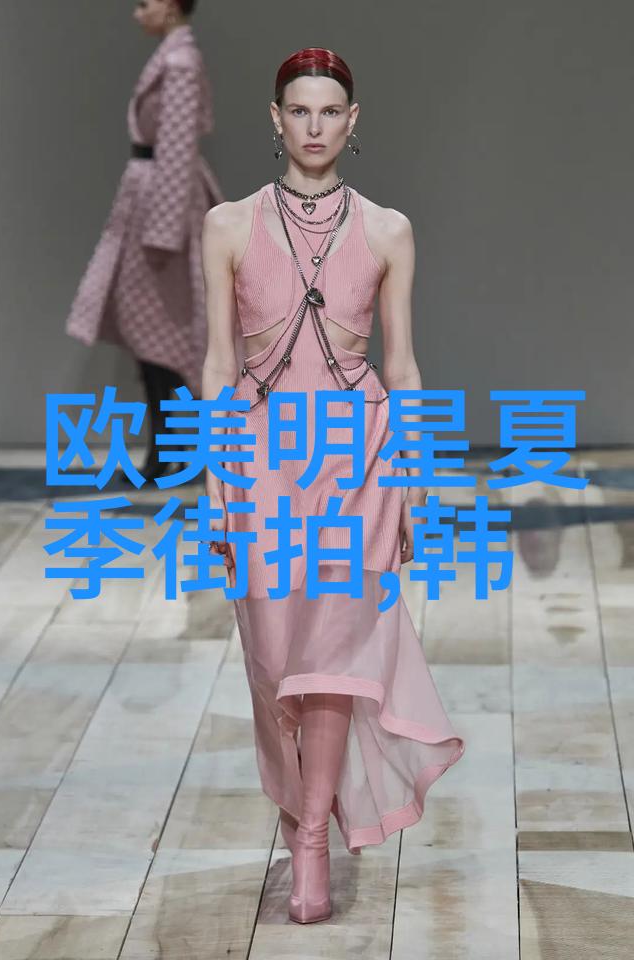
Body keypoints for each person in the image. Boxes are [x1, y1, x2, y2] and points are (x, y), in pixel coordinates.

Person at [201, 48, 465, 924]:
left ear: (353, 123)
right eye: (299, 110)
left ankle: (312, 839)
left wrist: (415, 473)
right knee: (274, 662)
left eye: (330, 112)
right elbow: (216, 363)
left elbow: (404, 363)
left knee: (333, 665)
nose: (314, 126)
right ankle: (299, 814)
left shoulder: (388, 230)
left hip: (359, 461)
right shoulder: (227, 225)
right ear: (276, 120)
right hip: (258, 459)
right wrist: (212, 474)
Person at [66, 0, 224, 482]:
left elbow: (177, 147)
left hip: (162, 208)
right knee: (153, 335)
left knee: (165, 334)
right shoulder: (174, 56)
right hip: (151, 197)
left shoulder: (181, 61)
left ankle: (176, 451)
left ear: (171, 6)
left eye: (144, 3)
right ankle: (167, 449)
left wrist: (162, 233)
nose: (138, 13)